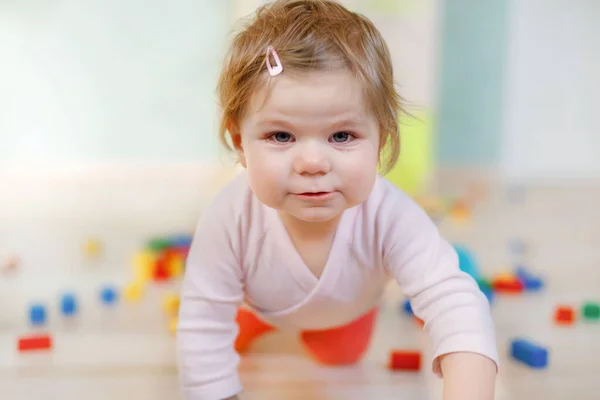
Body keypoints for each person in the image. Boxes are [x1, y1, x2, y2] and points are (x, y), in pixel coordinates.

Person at [176, 1, 498, 399]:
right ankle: (255, 317)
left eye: (342, 136)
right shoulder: (228, 219)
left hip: (345, 314)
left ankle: (450, 258)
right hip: (256, 301)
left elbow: (459, 309)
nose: (312, 162)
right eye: (281, 136)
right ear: (240, 141)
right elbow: (203, 321)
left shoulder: (391, 215)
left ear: (381, 138)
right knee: (215, 339)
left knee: (341, 355)